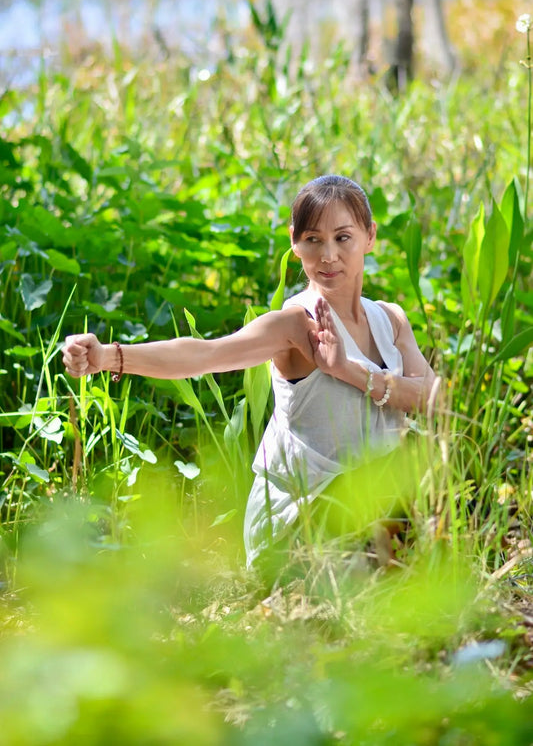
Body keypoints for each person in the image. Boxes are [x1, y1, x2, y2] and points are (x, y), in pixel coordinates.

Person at [63, 175, 436, 570]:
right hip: (297, 522)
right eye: (313, 239)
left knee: (423, 460)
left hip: (369, 513)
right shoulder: (296, 325)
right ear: (295, 241)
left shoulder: (390, 320)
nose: (328, 255)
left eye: (343, 238)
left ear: (370, 236)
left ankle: (400, 572)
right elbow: (206, 355)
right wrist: (107, 357)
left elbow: (436, 399)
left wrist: (348, 371)